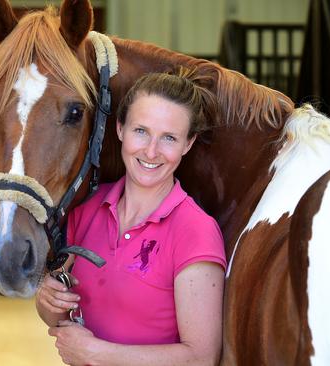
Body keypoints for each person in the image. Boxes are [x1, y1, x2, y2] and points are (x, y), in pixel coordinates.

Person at [35, 70, 226, 366]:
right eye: (141, 131)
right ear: (120, 128)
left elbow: (201, 358)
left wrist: (99, 355)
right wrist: (47, 299)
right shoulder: (86, 210)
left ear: (188, 144)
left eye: (169, 138)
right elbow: (58, 313)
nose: (151, 151)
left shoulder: (195, 231)